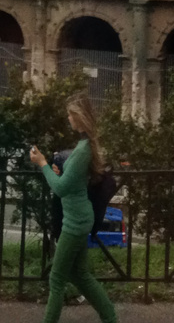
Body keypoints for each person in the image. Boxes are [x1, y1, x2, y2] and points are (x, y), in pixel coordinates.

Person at [28, 96, 117, 323]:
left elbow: (60, 189)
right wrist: (60, 171)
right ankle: (110, 318)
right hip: (79, 218)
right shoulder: (84, 146)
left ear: (79, 117)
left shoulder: (82, 150)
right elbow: (71, 181)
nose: (68, 118)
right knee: (80, 275)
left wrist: (43, 164)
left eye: (70, 114)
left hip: (75, 222)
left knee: (56, 279)